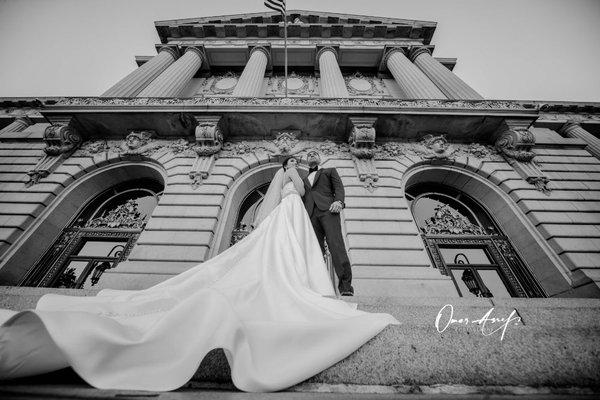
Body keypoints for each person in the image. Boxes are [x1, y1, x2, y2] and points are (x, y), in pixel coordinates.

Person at [0, 156, 398, 393]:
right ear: (288, 167)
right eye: (293, 162)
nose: (298, 163)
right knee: (279, 256)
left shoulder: (321, 174)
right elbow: (292, 189)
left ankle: (318, 285)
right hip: (290, 216)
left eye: (299, 162)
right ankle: (300, 286)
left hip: (306, 217)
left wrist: (332, 200)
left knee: (299, 253)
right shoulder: (294, 176)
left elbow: (322, 193)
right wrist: (294, 173)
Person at [301, 151, 354, 296]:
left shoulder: (330, 171)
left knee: (336, 245)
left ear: (319, 158)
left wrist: (339, 201)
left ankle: (345, 287)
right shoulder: (303, 179)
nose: (311, 155)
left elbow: (339, 188)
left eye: (314, 154)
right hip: (311, 215)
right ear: (307, 161)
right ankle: (318, 286)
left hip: (329, 210)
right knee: (315, 251)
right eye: (309, 155)